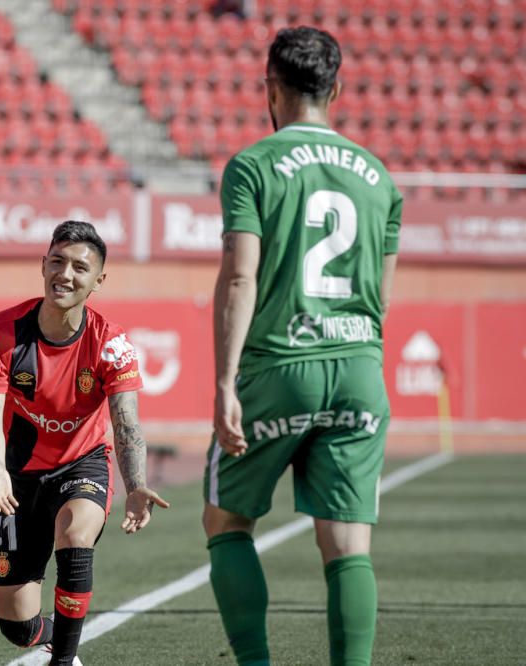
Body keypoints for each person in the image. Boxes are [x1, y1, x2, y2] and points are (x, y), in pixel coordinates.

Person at [203, 27, 402, 666]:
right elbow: (380, 300)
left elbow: (241, 276)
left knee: (226, 522)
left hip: (279, 365)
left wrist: (225, 382)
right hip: (358, 366)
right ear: (336, 89)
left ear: (271, 89)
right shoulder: (380, 179)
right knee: (347, 544)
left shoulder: (254, 165)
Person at [0, 220, 169, 666]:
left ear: (99, 280)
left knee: (75, 532)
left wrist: (135, 484)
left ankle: (64, 660)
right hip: (18, 475)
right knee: (17, 625)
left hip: (82, 464)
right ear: (42, 265)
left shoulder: (111, 343)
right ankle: (50, 637)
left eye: (80, 267)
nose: (66, 274)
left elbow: (127, 424)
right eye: (57, 261)